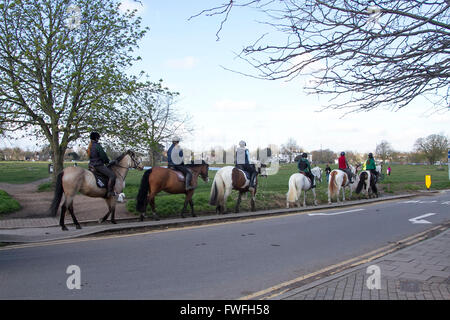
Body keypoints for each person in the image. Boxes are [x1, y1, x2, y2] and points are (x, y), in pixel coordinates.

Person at [87, 131, 116, 197]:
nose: (98, 139)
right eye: (98, 138)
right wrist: (107, 161)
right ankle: (110, 192)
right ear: (96, 138)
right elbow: (103, 156)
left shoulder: (90, 147)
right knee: (112, 175)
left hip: (91, 165)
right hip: (98, 165)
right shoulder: (97, 146)